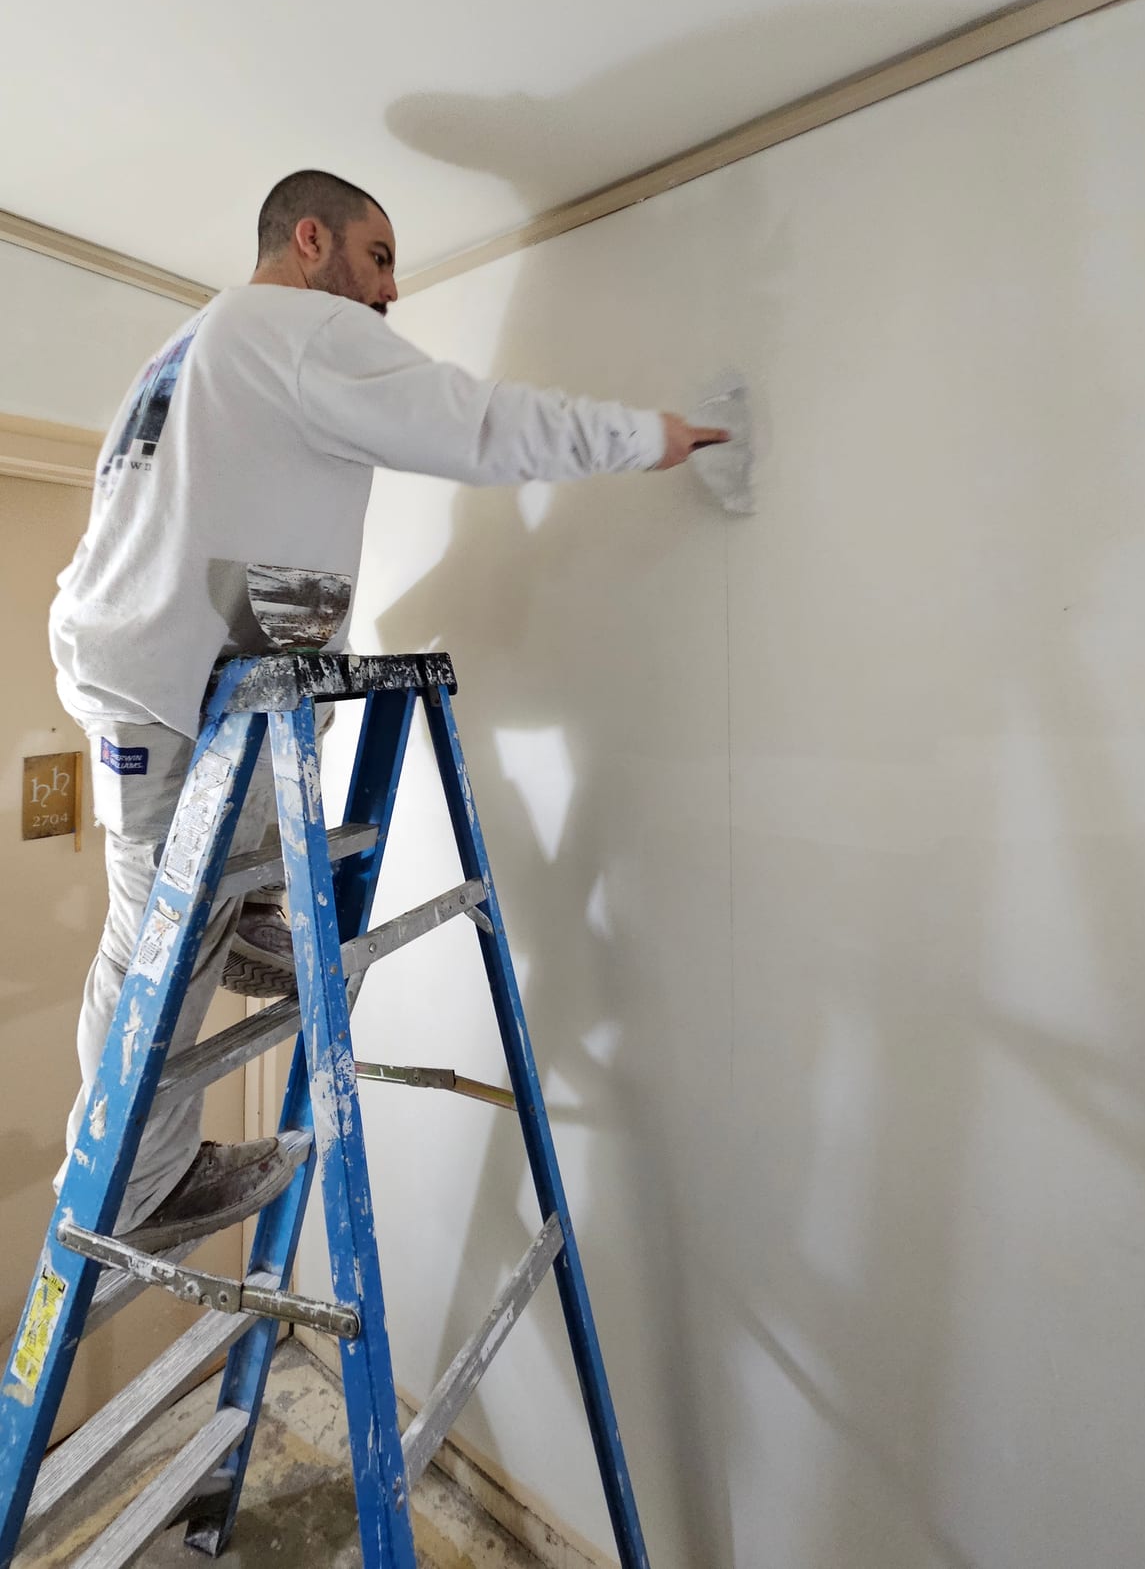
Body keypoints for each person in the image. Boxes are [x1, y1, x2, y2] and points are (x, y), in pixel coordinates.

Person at [49, 168, 726, 1253]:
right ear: (309, 241)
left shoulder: (195, 348)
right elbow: (477, 425)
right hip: (166, 685)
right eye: (377, 260)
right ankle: (136, 1179)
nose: (388, 291)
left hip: (148, 661)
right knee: (154, 937)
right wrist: (647, 437)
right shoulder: (297, 327)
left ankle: (250, 924)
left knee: (223, 847)